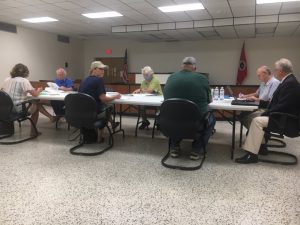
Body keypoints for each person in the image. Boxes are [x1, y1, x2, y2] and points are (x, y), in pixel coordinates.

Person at [235, 58, 300, 164]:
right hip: (282, 116)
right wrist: (263, 106)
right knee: (253, 117)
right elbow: (277, 104)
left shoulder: (289, 84)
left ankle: (252, 155)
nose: (274, 72)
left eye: (275, 70)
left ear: (281, 71)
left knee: (256, 120)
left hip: (285, 120)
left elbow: (282, 106)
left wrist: (266, 112)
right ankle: (260, 145)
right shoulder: (289, 81)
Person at [163, 57, 216, 160]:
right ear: (195, 68)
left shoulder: (171, 77)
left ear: (181, 67)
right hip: (195, 123)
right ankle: (197, 150)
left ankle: (174, 147)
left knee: (177, 116)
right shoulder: (202, 79)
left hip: (171, 121)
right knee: (211, 119)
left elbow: (166, 98)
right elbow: (209, 101)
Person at [1, 63, 55, 135]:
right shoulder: (24, 81)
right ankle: (33, 131)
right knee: (36, 104)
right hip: (17, 109)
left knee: (35, 103)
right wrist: (39, 90)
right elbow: (35, 94)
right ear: (25, 72)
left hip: (5, 109)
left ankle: (51, 118)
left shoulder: (7, 80)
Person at [79, 61, 121, 142]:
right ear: (93, 69)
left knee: (104, 105)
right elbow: (103, 98)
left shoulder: (84, 80)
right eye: (100, 69)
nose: (103, 71)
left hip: (82, 113)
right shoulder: (99, 80)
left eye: (103, 69)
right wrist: (116, 96)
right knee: (109, 108)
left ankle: (110, 125)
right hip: (94, 113)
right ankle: (99, 137)